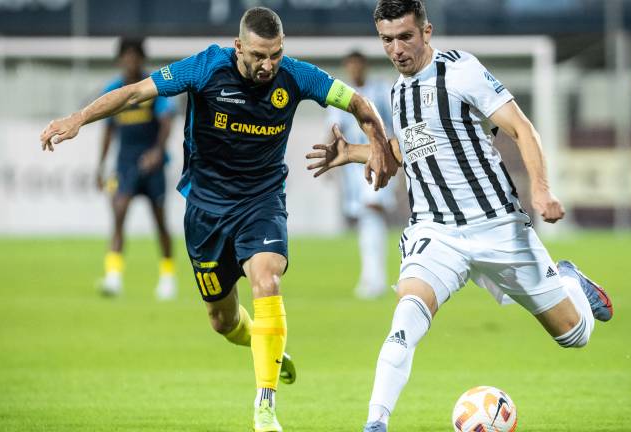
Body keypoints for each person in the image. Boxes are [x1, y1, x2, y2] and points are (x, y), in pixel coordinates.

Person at [39, 7, 397, 432]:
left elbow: (356, 101)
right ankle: (265, 344)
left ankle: (265, 407)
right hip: (206, 211)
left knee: (268, 280)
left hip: (262, 202)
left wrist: (377, 141)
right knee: (222, 321)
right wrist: (78, 118)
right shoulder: (206, 68)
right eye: (259, 55)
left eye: (276, 55)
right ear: (238, 47)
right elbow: (135, 93)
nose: (268, 65)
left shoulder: (297, 76)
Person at [305, 1, 614, 431]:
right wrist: (354, 152)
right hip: (435, 231)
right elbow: (409, 150)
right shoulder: (397, 92)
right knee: (406, 318)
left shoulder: (461, 71)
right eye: (387, 40)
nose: (396, 49)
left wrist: (542, 189)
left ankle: (569, 280)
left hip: (498, 225)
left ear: (426, 32)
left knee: (574, 334)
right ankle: (376, 422)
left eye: (405, 37)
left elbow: (521, 128)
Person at [96, 38, 178, 299]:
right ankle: (113, 277)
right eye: (126, 56)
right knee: (118, 214)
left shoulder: (153, 86)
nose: (130, 60)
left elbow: (167, 121)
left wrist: (157, 151)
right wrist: (100, 166)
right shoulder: (114, 89)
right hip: (125, 164)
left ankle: (167, 277)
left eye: (135, 55)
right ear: (120, 59)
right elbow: (108, 131)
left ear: (141, 58)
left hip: (152, 165)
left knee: (160, 222)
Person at [326, 51, 396, 299]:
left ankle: (375, 280)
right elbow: (334, 131)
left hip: (380, 159)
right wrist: (329, 161)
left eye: (358, 65)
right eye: (350, 65)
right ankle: (371, 277)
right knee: (366, 218)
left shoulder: (381, 90)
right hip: (354, 168)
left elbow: (395, 122)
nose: (354, 69)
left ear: (364, 66)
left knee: (372, 210)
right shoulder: (341, 96)